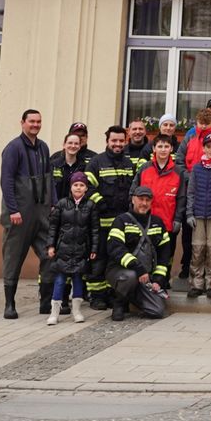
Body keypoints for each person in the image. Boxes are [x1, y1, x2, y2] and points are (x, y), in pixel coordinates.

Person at [0, 109, 53, 320]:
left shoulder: (43, 147)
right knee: (13, 257)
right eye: (31, 121)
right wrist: (13, 209)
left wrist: (54, 204)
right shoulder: (13, 148)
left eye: (39, 121)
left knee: (50, 253)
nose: (35, 125)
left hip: (41, 212)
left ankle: (45, 302)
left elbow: (49, 180)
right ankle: (9, 304)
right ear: (22, 122)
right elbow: (6, 181)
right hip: (19, 214)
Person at [84, 125, 135, 310]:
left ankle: (113, 294)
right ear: (107, 141)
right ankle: (97, 297)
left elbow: (133, 190)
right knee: (98, 260)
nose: (118, 144)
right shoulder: (96, 162)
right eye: (114, 140)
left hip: (122, 225)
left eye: (121, 141)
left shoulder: (129, 164)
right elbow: (86, 187)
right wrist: (100, 203)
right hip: (100, 224)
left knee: (117, 261)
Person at [105, 185, 169, 322]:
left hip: (146, 277)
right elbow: (115, 249)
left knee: (157, 311)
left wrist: (158, 279)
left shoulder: (158, 223)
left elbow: (164, 255)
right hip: (121, 271)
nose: (144, 203)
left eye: (147, 200)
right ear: (133, 199)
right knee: (130, 276)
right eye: (141, 199)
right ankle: (119, 302)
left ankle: (132, 295)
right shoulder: (121, 221)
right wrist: (137, 267)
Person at [45, 172, 98, 324]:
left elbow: (94, 230)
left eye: (82, 185)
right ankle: (54, 312)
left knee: (78, 280)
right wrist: (51, 245)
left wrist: (93, 249)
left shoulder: (90, 206)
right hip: (63, 250)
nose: (78, 188)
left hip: (81, 250)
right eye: (76, 185)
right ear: (71, 187)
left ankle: (77, 311)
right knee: (60, 280)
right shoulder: (62, 204)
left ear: (86, 188)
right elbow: (53, 227)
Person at [134, 135, 186, 287]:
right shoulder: (145, 168)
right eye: (160, 146)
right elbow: (133, 191)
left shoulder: (178, 171)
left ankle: (163, 284)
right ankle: (144, 286)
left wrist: (177, 219)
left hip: (167, 221)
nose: (163, 150)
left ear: (171, 149)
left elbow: (181, 198)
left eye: (166, 146)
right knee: (145, 253)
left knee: (166, 256)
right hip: (145, 221)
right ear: (153, 149)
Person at [185, 132, 211, 298]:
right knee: (198, 249)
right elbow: (191, 192)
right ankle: (196, 283)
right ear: (203, 148)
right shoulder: (197, 168)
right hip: (198, 214)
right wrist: (189, 213)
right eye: (208, 147)